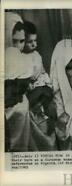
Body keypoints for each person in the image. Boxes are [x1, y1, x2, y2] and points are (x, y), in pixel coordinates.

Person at [5, 12, 33, 152]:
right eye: (13, 41)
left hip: (20, 107)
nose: (17, 47)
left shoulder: (24, 59)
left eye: (21, 41)